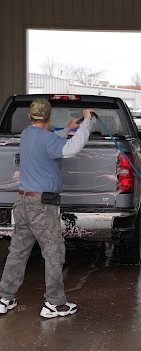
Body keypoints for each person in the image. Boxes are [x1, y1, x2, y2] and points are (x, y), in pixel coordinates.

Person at [0, 98, 94, 318]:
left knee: (17, 252)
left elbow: (51, 138)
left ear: (30, 117)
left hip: (22, 203)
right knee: (53, 253)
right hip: (42, 206)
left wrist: (69, 128)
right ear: (49, 117)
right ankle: (55, 304)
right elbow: (70, 149)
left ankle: (4, 297)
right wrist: (87, 122)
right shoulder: (48, 139)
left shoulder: (27, 134)